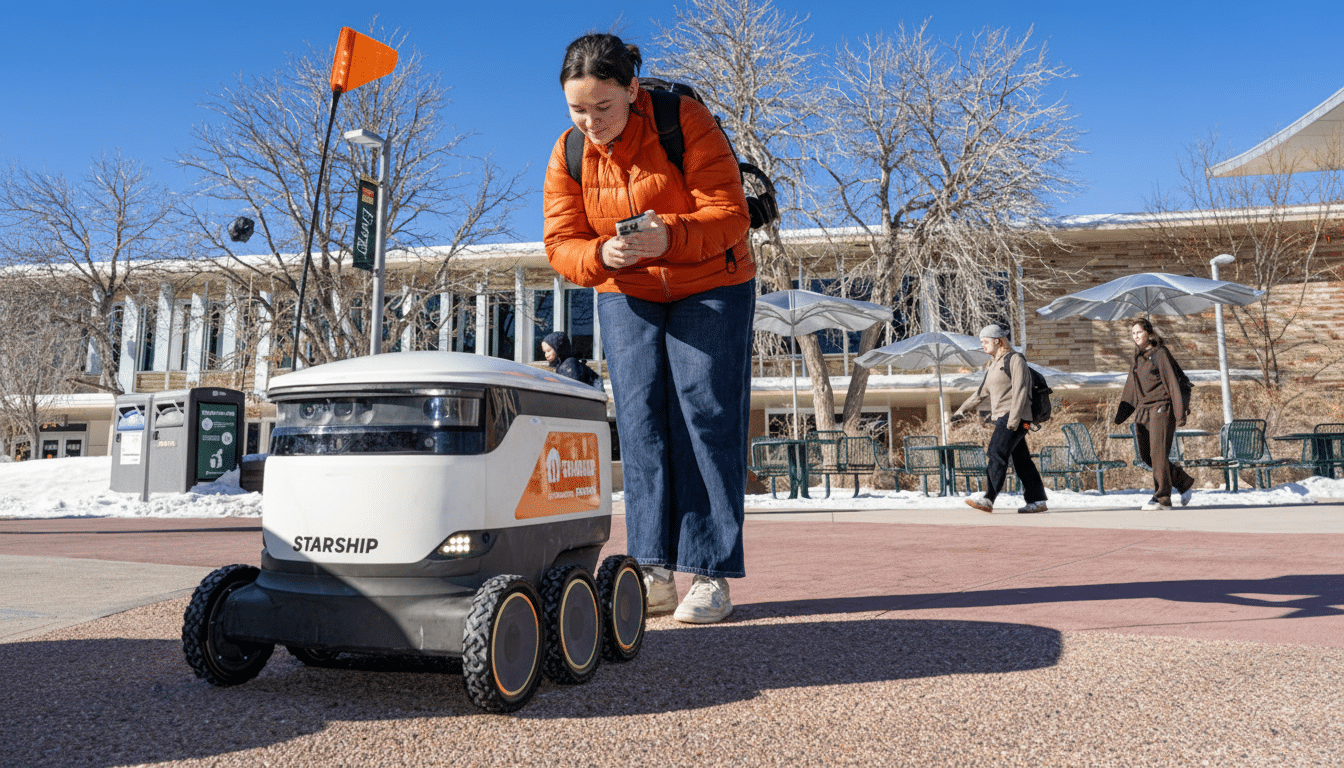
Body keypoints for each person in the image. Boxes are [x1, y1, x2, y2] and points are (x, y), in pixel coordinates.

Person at [543, 33, 754, 624]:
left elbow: (730, 214)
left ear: (632, 90)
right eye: (577, 111)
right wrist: (599, 258)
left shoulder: (683, 120)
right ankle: (654, 569)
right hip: (627, 290)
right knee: (639, 420)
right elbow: (561, 243)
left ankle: (711, 572)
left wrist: (672, 237)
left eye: (603, 108)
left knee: (706, 414)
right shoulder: (568, 153)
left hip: (711, 282)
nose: (592, 123)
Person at [952, 325, 1049, 514]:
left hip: (1015, 417)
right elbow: (981, 393)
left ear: (999, 341)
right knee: (1022, 461)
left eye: (985, 341)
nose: (983, 345)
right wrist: (962, 409)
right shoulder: (993, 364)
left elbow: (1021, 389)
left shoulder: (1015, 359)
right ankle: (1037, 500)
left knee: (996, 453)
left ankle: (988, 498)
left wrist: (1014, 420)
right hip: (1005, 417)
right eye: (981, 342)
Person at [1115, 318, 1195, 510]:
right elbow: (1131, 388)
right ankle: (1183, 481)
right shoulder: (1138, 358)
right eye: (1133, 333)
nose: (1136, 336)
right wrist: (1122, 413)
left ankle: (1162, 498)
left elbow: (1173, 384)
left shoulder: (1160, 354)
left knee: (1158, 454)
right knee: (1147, 456)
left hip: (1161, 408)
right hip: (1143, 411)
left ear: (1149, 334)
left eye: (1139, 332)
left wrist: (1179, 413)